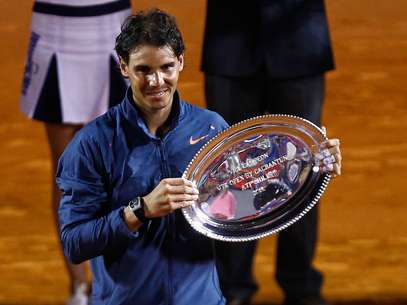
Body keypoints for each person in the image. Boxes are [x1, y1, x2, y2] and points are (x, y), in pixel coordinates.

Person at [201, 1, 336, 305]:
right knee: (229, 173)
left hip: (299, 43)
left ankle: (301, 284)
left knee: (305, 168)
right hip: (230, 44)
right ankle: (231, 286)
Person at [20, 1, 132, 304]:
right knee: (67, 175)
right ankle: (79, 288)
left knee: (124, 172)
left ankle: (118, 285)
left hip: (113, 32)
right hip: (57, 33)